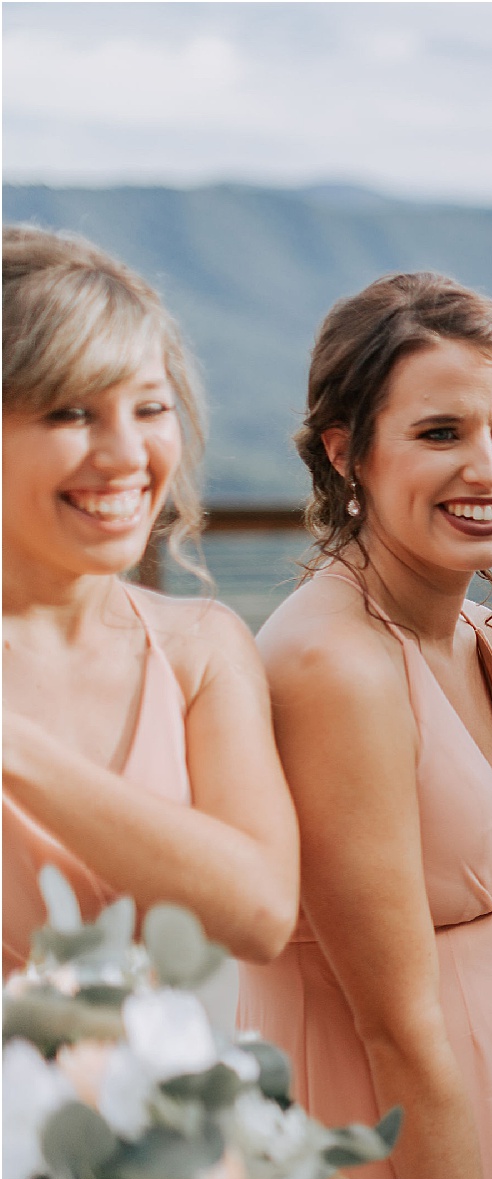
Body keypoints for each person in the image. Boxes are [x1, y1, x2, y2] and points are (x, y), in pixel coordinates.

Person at [237, 273, 492, 1179]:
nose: (488, 469)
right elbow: (394, 1021)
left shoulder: (488, 641)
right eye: (440, 432)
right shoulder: (332, 670)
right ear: (347, 450)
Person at [2, 224, 297, 971]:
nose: (127, 457)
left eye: (150, 408)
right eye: (70, 412)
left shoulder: (199, 646)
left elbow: (261, 911)